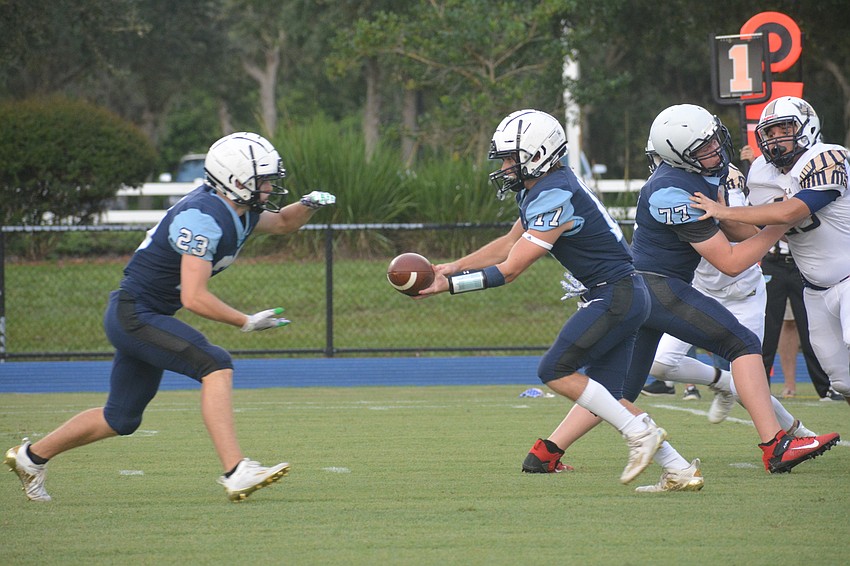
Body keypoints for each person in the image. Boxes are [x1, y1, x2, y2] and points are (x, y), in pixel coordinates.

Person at [4, 132, 336, 503]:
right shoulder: (202, 217)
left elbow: (283, 223)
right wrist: (244, 321)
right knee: (216, 364)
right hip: (136, 314)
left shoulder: (237, 210)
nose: (271, 187)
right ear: (235, 180)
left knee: (121, 418)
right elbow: (194, 297)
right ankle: (236, 470)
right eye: (263, 180)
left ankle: (31, 458)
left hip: (144, 314)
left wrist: (309, 204)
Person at [524, 104, 839, 491]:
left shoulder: (697, 175)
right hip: (657, 288)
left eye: (711, 139)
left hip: (648, 288)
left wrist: (770, 223)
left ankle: (545, 453)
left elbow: (736, 231)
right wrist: (781, 225)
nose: (714, 149)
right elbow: (731, 261)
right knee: (741, 343)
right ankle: (776, 444)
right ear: (677, 155)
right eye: (701, 147)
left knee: (620, 391)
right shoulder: (671, 191)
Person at [418, 108, 681, 487]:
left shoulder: (554, 193)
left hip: (615, 295)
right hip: (624, 293)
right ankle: (679, 469)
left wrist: (450, 287)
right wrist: (452, 267)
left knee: (554, 370)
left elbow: (510, 269)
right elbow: (508, 244)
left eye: (512, 157)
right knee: (605, 396)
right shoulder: (548, 186)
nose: (506, 166)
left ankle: (639, 434)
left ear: (539, 154)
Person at [692, 96, 850, 406]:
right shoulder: (762, 173)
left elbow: (791, 212)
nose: (776, 138)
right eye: (770, 132)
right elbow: (757, 231)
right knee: (843, 382)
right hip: (815, 289)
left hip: (848, 277)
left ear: (806, 127)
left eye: (784, 128)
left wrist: (725, 213)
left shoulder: (828, 157)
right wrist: (717, 217)